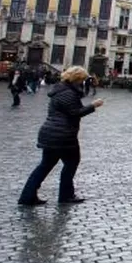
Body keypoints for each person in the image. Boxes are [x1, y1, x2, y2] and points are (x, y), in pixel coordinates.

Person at [18, 66, 104, 205]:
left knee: (45, 165)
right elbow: (75, 112)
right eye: (81, 80)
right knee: (70, 164)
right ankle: (65, 195)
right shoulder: (67, 93)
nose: (82, 82)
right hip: (63, 135)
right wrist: (93, 106)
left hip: (52, 133)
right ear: (76, 79)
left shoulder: (62, 89)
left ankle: (28, 196)